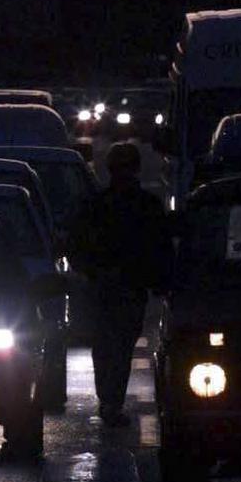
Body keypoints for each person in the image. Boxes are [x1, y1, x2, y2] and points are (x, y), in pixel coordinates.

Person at [67, 139, 172, 426]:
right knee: (116, 346)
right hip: (119, 286)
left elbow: (75, 244)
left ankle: (110, 400)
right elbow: (161, 247)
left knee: (108, 346)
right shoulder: (142, 205)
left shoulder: (98, 205)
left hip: (112, 286)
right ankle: (111, 400)